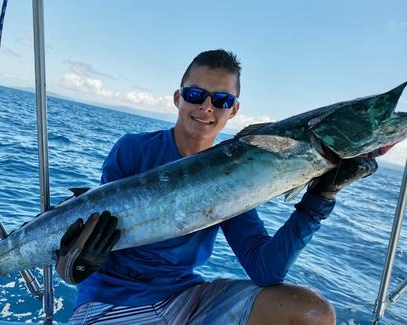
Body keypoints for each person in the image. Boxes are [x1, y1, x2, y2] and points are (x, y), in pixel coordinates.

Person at [55, 49, 378, 324]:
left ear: (234, 109)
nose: (206, 107)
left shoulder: (236, 173)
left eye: (221, 99)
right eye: (196, 95)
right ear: (178, 98)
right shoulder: (133, 149)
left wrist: (320, 198)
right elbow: (91, 234)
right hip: (113, 299)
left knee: (313, 312)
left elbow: (266, 271)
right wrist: (78, 260)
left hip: (186, 297)